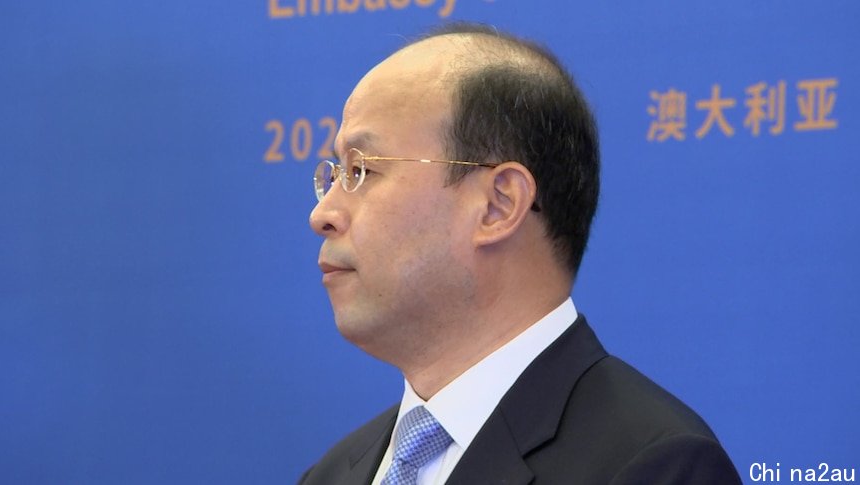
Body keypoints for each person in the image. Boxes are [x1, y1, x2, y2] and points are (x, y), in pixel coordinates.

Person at [302, 22, 741, 485]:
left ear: (499, 205)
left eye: (362, 170)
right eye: (334, 175)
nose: (323, 214)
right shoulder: (332, 474)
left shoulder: (654, 465)